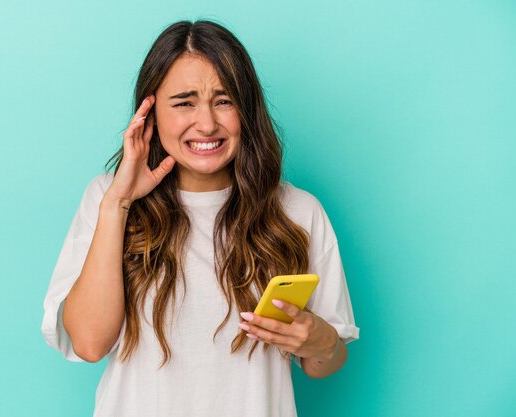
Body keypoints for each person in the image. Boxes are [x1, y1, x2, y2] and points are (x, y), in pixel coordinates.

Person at [41, 19, 360, 417]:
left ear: (247, 110)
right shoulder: (107, 199)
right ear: (150, 112)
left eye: (224, 100)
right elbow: (89, 343)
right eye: (184, 102)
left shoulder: (297, 211)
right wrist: (118, 202)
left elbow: (323, 365)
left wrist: (321, 343)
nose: (207, 123)